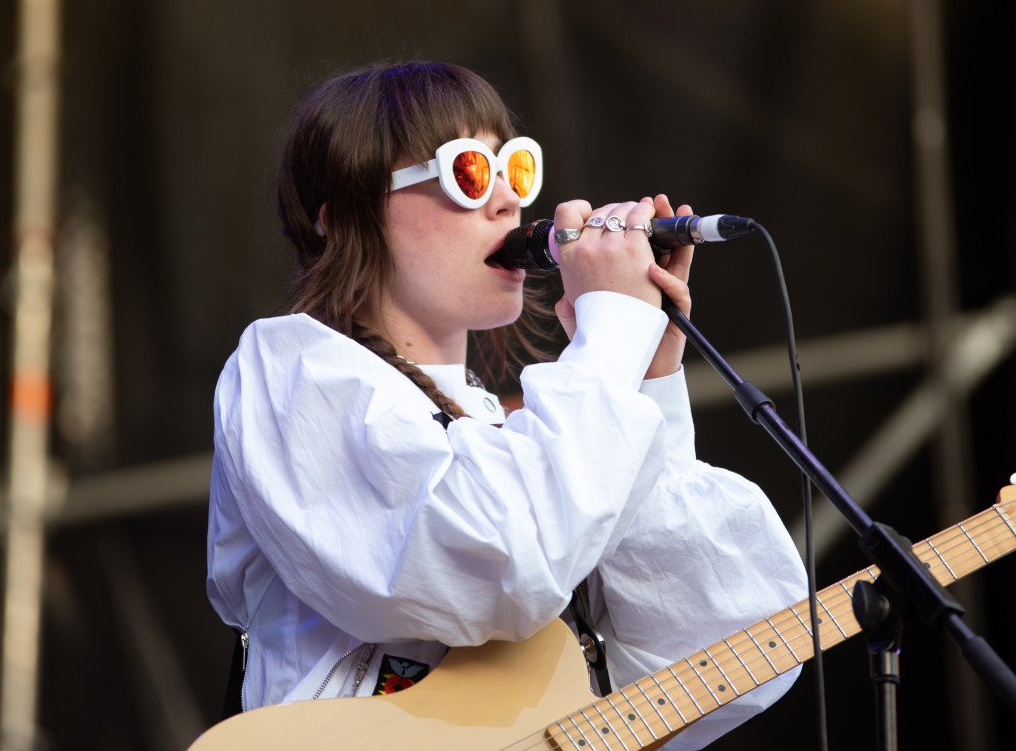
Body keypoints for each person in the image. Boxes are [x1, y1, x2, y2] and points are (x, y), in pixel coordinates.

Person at [205, 61, 805, 748]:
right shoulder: (291, 368)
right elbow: (495, 564)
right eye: (467, 172)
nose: (506, 203)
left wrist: (640, 377)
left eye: (514, 170)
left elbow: (713, 642)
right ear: (343, 218)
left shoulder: (509, 435)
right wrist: (610, 340)